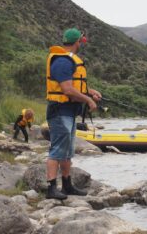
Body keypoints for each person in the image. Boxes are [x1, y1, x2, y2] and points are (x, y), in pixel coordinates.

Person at [45, 28, 102, 200]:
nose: (82, 43)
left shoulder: (68, 60)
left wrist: (90, 92)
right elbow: (67, 89)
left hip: (68, 112)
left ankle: (67, 185)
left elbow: (74, 86)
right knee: (57, 150)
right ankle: (51, 188)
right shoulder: (63, 61)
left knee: (67, 151)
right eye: (81, 40)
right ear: (78, 42)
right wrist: (88, 100)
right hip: (59, 111)